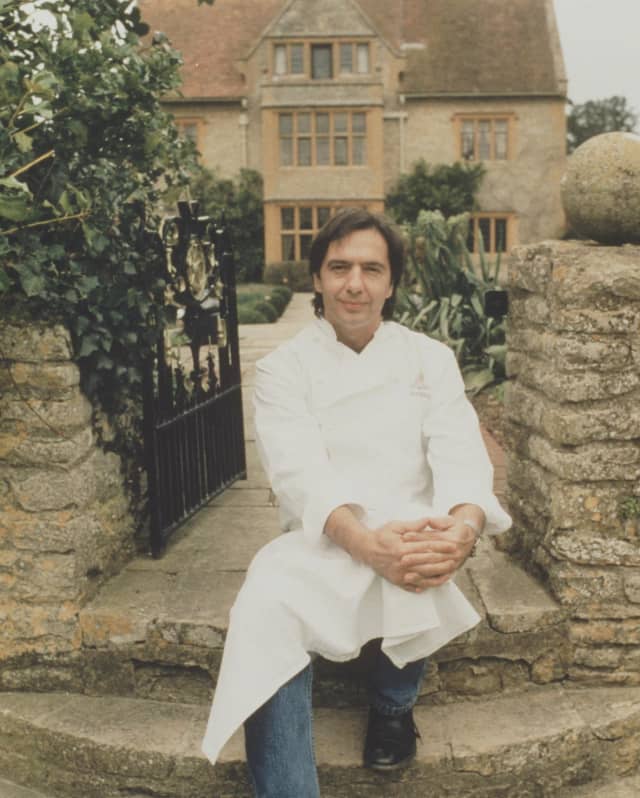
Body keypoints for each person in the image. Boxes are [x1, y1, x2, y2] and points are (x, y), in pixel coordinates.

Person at [202, 208, 511, 796]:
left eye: (372, 269)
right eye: (339, 267)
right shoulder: (283, 368)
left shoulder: (429, 358)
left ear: (391, 283)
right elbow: (298, 471)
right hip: (324, 534)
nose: (355, 284)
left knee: (419, 553)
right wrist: (367, 545)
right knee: (264, 606)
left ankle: (393, 707)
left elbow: (460, 452)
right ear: (317, 278)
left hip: (412, 526)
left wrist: (462, 530)